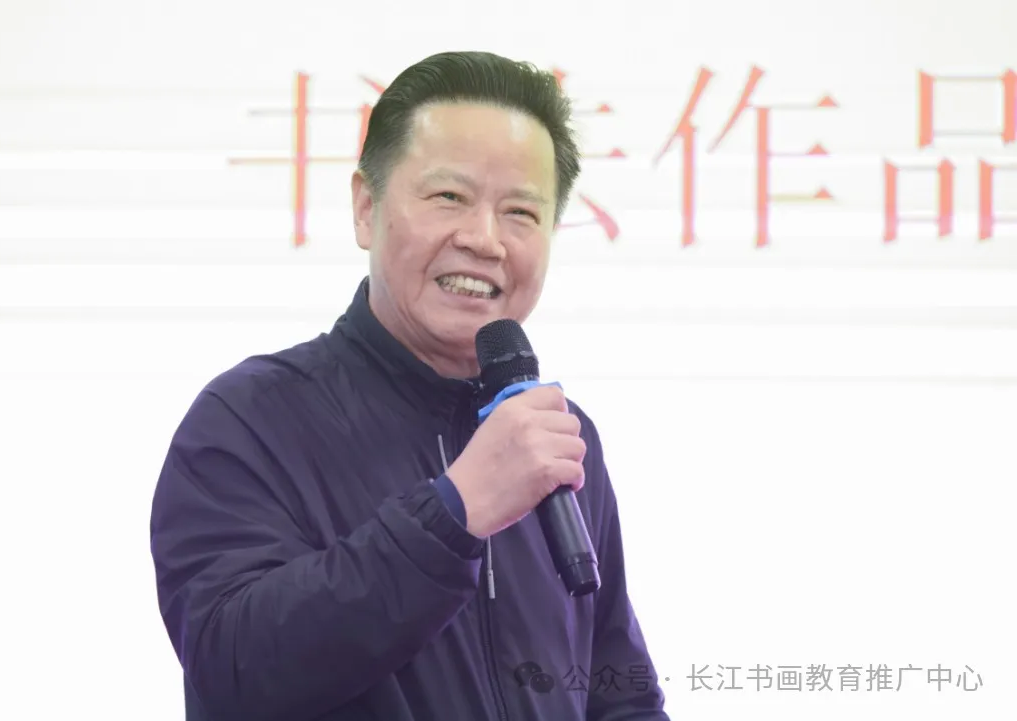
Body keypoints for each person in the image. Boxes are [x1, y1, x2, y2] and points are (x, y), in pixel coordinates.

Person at [149, 50, 671, 721]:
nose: (485, 239)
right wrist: (454, 513)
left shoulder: (560, 438)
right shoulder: (248, 419)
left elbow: (617, 692)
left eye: (521, 211)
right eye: (449, 197)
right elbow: (232, 668)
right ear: (366, 207)